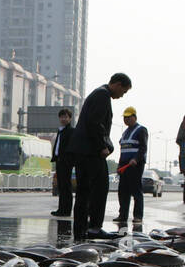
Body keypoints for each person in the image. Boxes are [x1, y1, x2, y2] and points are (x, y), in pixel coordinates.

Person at [72, 73, 131, 237]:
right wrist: (102, 147)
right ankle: (94, 228)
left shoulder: (99, 93)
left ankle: (81, 229)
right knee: (99, 188)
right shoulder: (103, 95)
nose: (121, 96)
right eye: (123, 92)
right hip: (91, 151)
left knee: (84, 192)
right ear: (117, 84)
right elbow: (94, 123)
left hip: (83, 150)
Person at [113, 106, 148, 227]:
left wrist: (135, 159)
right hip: (124, 165)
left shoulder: (141, 130)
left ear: (134, 117)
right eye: (125, 118)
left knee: (136, 190)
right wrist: (119, 165)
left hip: (134, 165)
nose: (126, 120)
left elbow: (143, 147)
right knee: (123, 191)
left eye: (128, 117)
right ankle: (123, 215)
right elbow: (122, 150)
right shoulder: (125, 132)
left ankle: (138, 216)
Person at [50, 107, 75, 217]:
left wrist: (68, 159)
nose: (63, 119)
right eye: (62, 117)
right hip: (59, 160)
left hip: (66, 162)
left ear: (70, 118)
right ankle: (61, 209)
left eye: (66, 117)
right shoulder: (60, 131)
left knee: (66, 187)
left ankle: (66, 210)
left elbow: (70, 147)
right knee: (61, 186)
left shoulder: (71, 131)